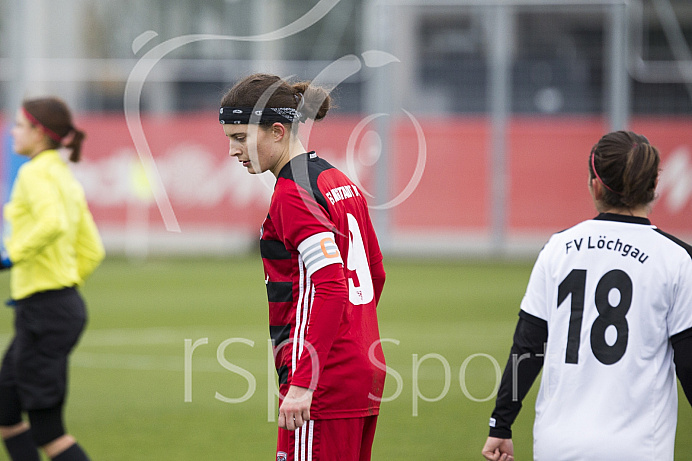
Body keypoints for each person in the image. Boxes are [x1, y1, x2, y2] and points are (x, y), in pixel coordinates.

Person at [482, 130, 692, 461]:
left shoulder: (558, 249)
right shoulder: (677, 259)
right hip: (637, 449)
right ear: (652, 187)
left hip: (557, 446)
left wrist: (501, 424)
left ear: (595, 184)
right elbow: (689, 363)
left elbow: (527, 346)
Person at [218, 74, 386, 461]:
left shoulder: (294, 195)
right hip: (358, 368)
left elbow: (330, 284)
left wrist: (304, 382)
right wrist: (352, 338)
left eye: (241, 137)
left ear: (277, 131)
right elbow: (375, 273)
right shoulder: (335, 178)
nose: (232, 150)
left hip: (323, 379)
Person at [0, 97, 105, 461]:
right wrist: (65, 283)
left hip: (45, 312)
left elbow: (52, 224)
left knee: (49, 432)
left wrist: (9, 257)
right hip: (53, 308)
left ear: (39, 132)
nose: (12, 131)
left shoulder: (33, 173)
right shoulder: (62, 175)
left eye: (19, 125)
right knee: (6, 414)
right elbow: (93, 249)